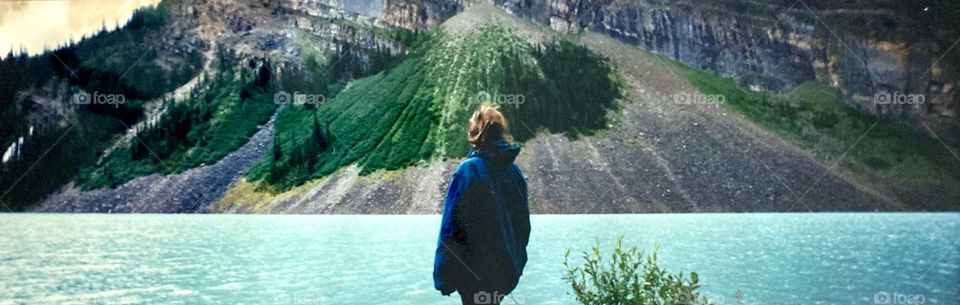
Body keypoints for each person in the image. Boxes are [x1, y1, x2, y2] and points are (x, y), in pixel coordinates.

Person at [433, 105, 530, 305]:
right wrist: (516, 264)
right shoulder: (514, 173)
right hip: (505, 272)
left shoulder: (468, 170)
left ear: (475, 132)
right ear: (500, 131)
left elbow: (452, 228)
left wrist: (443, 277)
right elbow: (523, 227)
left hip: (474, 273)